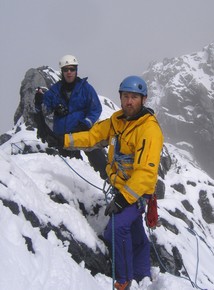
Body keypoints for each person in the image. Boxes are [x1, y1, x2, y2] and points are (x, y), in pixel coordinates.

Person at [46, 75, 164, 290]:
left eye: (134, 98)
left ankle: (124, 280)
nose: (129, 102)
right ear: (120, 98)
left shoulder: (149, 130)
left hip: (136, 192)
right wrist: (63, 140)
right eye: (126, 96)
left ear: (143, 100)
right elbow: (93, 137)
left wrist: (123, 199)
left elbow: (146, 172)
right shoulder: (117, 121)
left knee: (117, 228)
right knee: (134, 230)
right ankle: (142, 273)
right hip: (122, 187)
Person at [34, 54, 107, 179]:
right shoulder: (55, 91)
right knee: (72, 171)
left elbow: (95, 108)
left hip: (84, 132)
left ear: (76, 70)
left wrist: (86, 123)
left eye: (72, 69)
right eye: (66, 69)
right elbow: (44, 108)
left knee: (100, 164)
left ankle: (111, 186)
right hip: (63, 136)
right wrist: (39, 100)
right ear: (62, 71)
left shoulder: (86, 89)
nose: (69, 72)